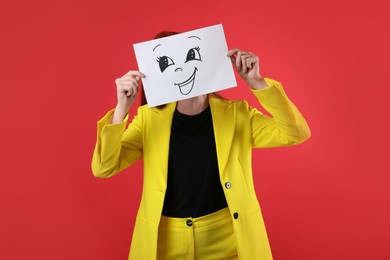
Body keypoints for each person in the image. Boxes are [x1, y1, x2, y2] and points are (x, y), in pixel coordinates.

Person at [91, 31, 311, 260]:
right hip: (165, 244)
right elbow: (103, 167)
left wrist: (258, 83)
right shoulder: (148, 120)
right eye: (166, 63)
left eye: (189, 55)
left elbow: (296, 133)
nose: (180, 69)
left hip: (228, 241)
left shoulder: (237, 114)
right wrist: (121, 110)